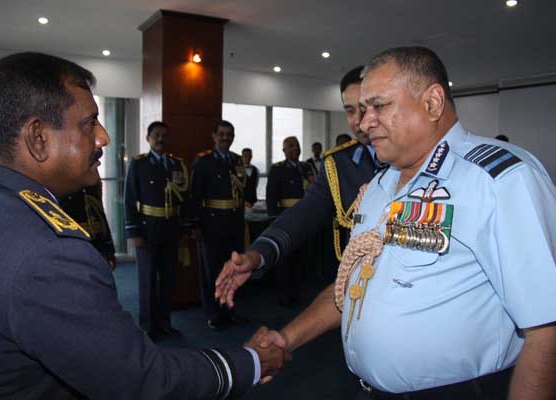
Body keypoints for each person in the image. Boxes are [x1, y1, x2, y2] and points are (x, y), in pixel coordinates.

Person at [0, 52, 289, 399]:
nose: (103, 138)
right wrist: (251, 362)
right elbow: (142, 379)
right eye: (89, 123)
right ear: (38, 138)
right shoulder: (49, 253)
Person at [243, 46, 556, 399]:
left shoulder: (499, 180)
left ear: (432, 103)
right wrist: (287, 338)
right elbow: (353, 285)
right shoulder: (380, 185)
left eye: (379, 106)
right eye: (362, 110)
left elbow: (547, 329)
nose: (364, 123)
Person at [215, 65, 377, 307]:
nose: (358, 122)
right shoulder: (340, 163)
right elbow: (305, 212)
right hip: (360, 287)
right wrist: (257, 254)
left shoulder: (417, 158)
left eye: (365, 108)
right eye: (350, 111)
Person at [124, 121, 187, 338]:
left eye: (164, 135)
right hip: (147, 230)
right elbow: (130, 199)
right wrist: (134, 232)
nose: (161, 139)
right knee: (148, 281)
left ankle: (165, 322)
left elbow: (184, 199)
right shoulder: (139, 163)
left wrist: (184, 229)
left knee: (168, 280)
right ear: (148, 138)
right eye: (156, 135)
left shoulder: (177, 164)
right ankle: (147, 326)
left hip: (171, 230)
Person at [191, 120, 249, 330]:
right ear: (214, 136)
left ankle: (229, 309)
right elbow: (194, 196)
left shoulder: (237, 160)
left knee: (233, 269)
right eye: (222, 134)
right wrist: (196, 225)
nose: (226, 138)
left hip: (234, 223)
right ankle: (212, 313)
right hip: (211, 224)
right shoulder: (203, 161)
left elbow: (243, 191)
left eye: (229, 134)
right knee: (211, 271)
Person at [266, 136, 315, 305]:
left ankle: (298, 292)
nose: (295, 149)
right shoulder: (278, 169)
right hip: (286, 217)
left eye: (297, 145)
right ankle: (284, 294)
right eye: (291, 146)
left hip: (305, 217)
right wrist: (274, 219)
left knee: (302, 256)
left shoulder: (306, 167)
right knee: (285, 258)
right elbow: (271, 197)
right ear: (284, 150)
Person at [60, 179, 116, 269]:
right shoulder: (62, 189)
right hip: (75, 250)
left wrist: (109, 250)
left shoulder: (91, 188)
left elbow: (101, 218)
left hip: (97, 247)